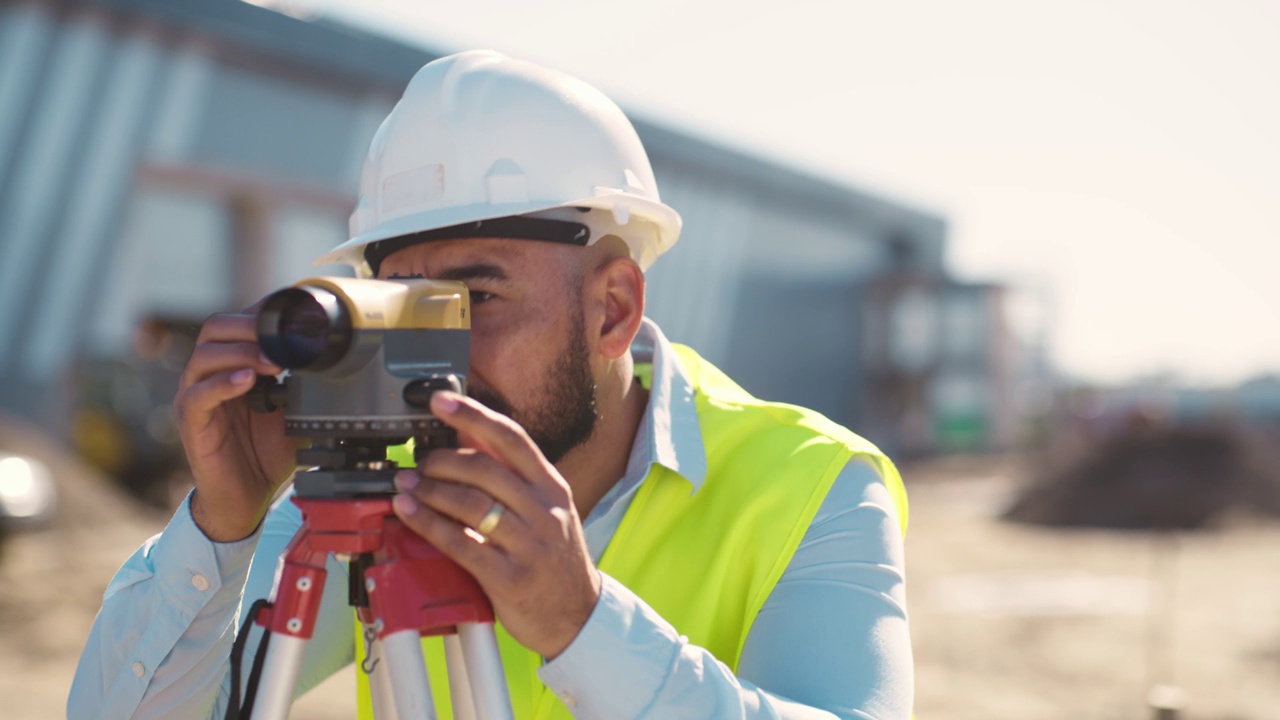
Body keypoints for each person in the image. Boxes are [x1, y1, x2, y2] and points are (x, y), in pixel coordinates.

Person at [69, 50, 912, 719]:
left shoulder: (816, 486)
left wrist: (581, 628)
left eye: (472, 301)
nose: (434, 358)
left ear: (612, 307)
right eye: (407, 308)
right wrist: (223, 528)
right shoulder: (384, 479)